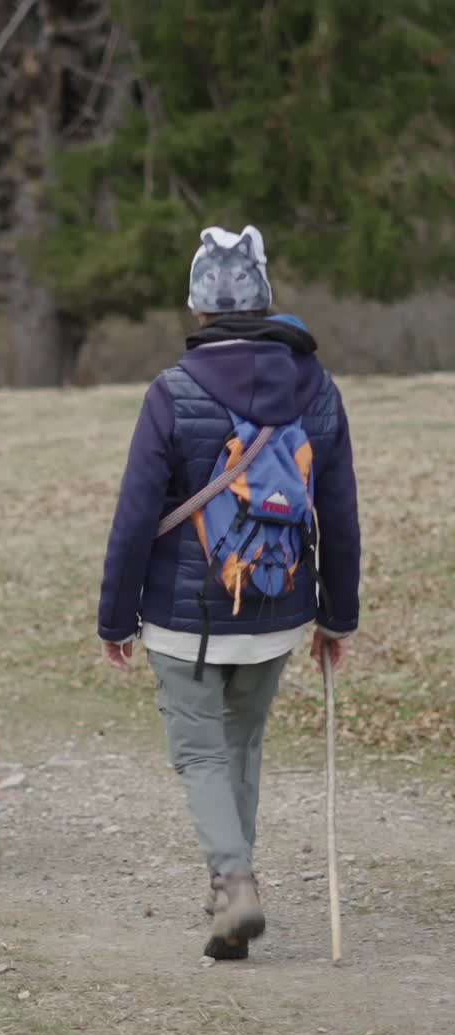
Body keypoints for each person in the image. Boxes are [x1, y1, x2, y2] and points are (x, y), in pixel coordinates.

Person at [97, 224, 360, 960]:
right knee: (241, 746)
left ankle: (234, 885)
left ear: (198, 306)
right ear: (266, 298)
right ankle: (229, 901)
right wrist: (337, 616)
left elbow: (135, 515)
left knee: (201, 754)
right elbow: (339, 514)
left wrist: (115, 619)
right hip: (277, 609)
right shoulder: (317, 388)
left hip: (183, 618)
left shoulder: (172, 391)